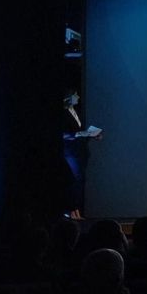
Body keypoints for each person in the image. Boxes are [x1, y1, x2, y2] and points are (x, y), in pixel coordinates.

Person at [62, 89, 102, 220]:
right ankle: (71, 211)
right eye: (75, 95)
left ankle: (76, 211)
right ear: (69, 97)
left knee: (79, 182)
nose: (78, 97)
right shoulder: (63, 113)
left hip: (80, 151)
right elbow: (64, 134)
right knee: (74, 181)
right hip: (71, 152)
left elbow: (79, 131)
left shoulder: (76, 112)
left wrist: (92, 135)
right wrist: (80, 134)